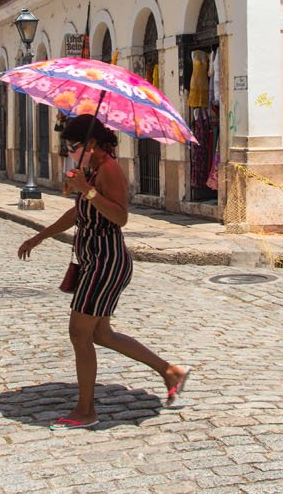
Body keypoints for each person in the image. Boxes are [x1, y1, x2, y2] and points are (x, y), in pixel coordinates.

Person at [17, 114, 189, 430]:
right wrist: (40, 235)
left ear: (92, 144)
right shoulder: (92, 171)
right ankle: (169, 371)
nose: (70, 151)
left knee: (79, 333)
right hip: (94, 260)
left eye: (74, 145)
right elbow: (77, 213)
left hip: (106, 262)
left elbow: (121, 216)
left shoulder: (108, 170)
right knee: (100, 333)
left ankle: (86, 410)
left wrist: (89, 191)